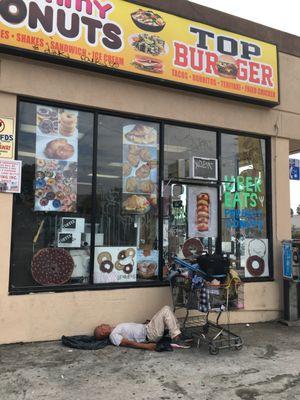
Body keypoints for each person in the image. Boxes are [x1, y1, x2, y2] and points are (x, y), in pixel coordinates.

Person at [94, 305, 192, 351]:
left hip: (147, 328)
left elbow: (132, 332)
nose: (102, 324)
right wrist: (147, 347)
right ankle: (177, 336)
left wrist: (143, 324)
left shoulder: (114, 329)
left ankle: (177, 334)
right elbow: (129, 343)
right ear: (103, 332)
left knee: (168, 314)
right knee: (166, 310)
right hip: (149, 334)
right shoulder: (113, 336)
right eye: (100, 326)